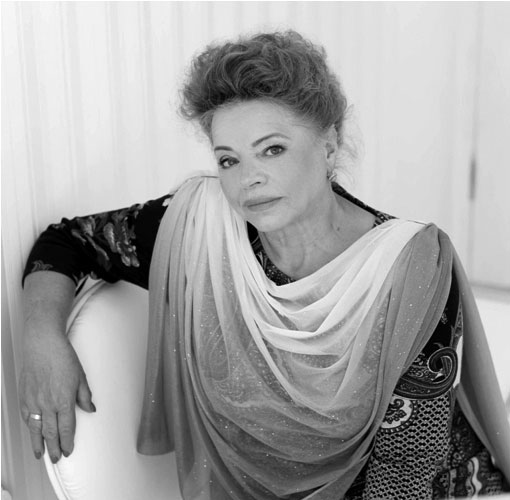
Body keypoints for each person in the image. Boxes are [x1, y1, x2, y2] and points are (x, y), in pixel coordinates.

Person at [19, 30, 510, 499]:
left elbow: (406, 470)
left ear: (329, 146)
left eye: (272, 150)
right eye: (228, 160)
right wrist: (41, 336)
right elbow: (67, 242)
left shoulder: (410, 269)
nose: (247, 180)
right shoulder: (201, 231)